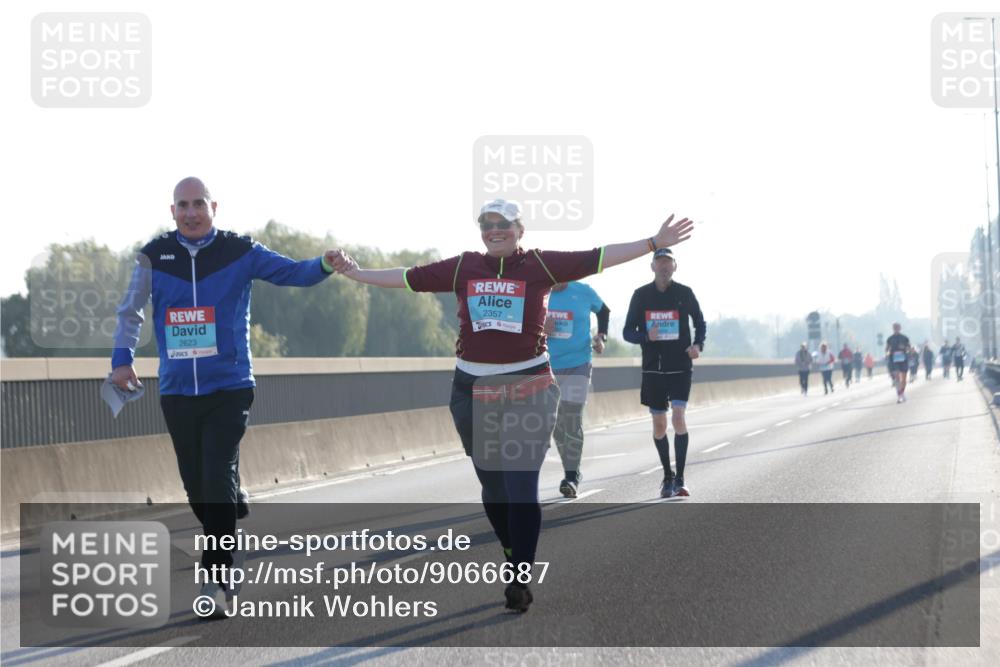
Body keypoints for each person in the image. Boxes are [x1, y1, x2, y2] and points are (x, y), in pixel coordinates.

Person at [328, 199, 693, 612]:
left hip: (529, 386)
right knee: (494, 490)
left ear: (520, 229)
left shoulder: (540, 265)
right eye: (486, 224)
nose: (494, 230)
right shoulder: (465, 266)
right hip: (473, 389)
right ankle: (510, 550)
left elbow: (600, 257)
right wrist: (356, 273)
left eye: (503, 224)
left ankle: (520, 576)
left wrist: (652, 243)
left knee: (520, 488)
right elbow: (407, 278)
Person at [111, 177, 337, 617]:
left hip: (230, 387)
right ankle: (229, 500)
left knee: (215, 476)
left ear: (213, 207)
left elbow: (292, 273)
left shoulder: (239, 251)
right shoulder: (155, 255)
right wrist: (122, 360)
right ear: (172, 210)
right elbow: (130, 309)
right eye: (183, 205)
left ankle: (215, 577)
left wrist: (325, 265)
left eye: (199, 204)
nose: (191, 212)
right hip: (177, 390)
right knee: (198, 488)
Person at [623, 248, 706, 500]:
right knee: (659, 425)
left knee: (678, 419)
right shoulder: (641, 295)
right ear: (652, 267)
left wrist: (698, 345)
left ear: (674, 267)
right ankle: (667, 477)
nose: (664, 267)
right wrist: (645, 336)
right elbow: (627, 332)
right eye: (660, 263)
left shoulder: (684, 293)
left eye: (668, 263)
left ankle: (680, 479)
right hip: (653, 369)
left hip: (680, 366)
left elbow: (700, 322)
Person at [544, 281, 610, 498]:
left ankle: (571, 476)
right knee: (556, 423)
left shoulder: (583, 291)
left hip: (579, 363)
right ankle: (571, 469)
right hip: (547, 365)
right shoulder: (539, 291)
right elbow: (521, 322)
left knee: (571, 418)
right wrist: (541, 328)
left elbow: (604, 311)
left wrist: (601, 337)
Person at [885, 323, 911, 403]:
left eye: (897, 327)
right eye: (894, 327)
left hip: (903, 359)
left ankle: (902, 393)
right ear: (892, 328)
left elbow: (909, 348)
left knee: (904, 378)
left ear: (900, 328)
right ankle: (899, 395)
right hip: (894, 359)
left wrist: (904, 348)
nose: (896, 329)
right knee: (897, 377)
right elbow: (887, 349)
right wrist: (887, 353)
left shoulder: (905, 338)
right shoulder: (890, 339)